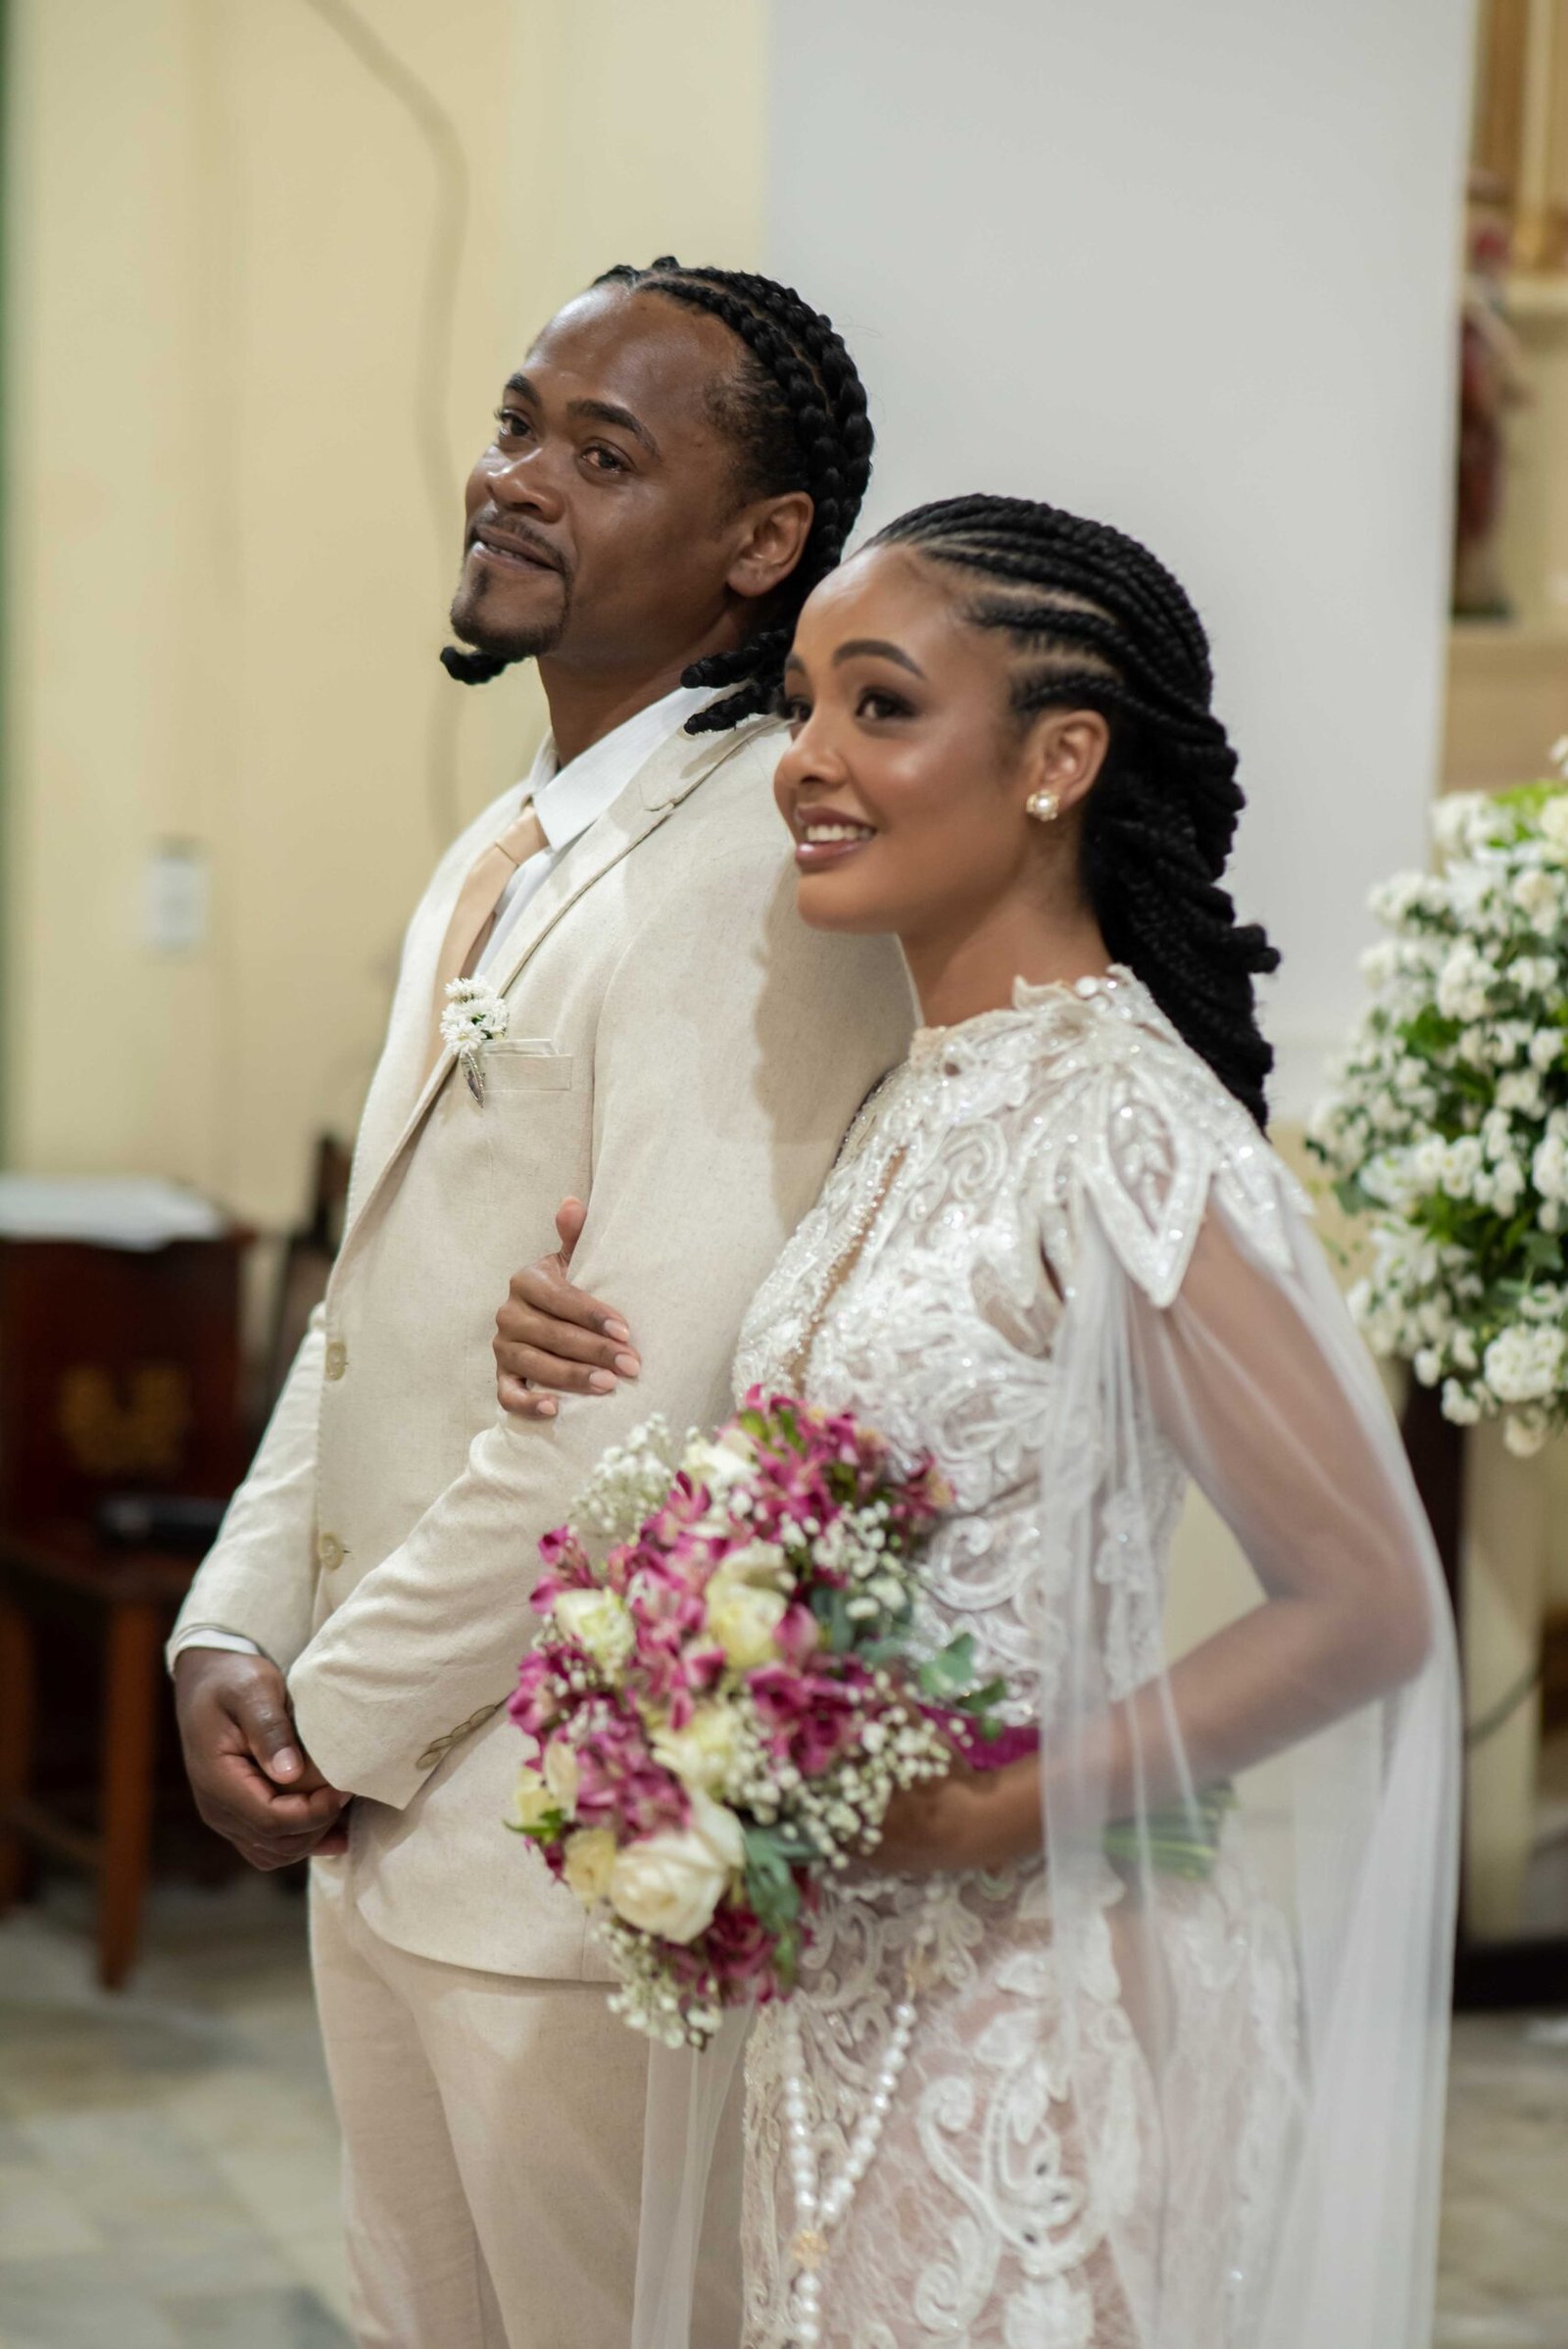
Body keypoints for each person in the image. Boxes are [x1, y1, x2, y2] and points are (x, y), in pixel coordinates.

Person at [495, 493, 1460, 2349]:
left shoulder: (1124, 1123)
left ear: (1058, 761)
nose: (810, 759)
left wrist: (989, 1811)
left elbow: (1365, 1601)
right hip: (850, 1991)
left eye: (881, 705)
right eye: (802, 705)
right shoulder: (917, 1095)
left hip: (1048, 2012)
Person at [167, 259, 915, 2349]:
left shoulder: (753, 868)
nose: (514, 478)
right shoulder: (512, 834)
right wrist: (232, 1623)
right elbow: (367, 1301)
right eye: (517, 424)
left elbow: (636, 1405)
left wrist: (331, 1719)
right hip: (388, 1812)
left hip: (561, 1845)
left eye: (602, 454)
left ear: (760, 544)